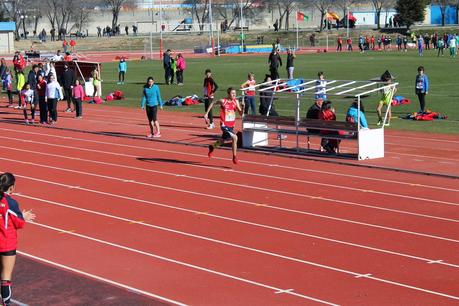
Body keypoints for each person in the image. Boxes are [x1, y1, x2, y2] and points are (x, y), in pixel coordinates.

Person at [0, 172, 36, 306]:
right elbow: (18, 222)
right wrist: (24, 216)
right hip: (7, 244)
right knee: (6, 278)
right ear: (11, 188)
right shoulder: (11, 203)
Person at [205, 87, 244, 165]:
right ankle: (234, 157)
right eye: (232, 93)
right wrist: (206, 113)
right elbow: (212, 103)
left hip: (231, 125)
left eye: (235, 93)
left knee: (222, 141)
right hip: (224, 125)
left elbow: (241, 114)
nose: (234, 95)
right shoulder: (223, 101)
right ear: (228, 94)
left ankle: (212, 147)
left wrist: (243, 107)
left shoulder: (236, 102)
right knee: (235, 137)